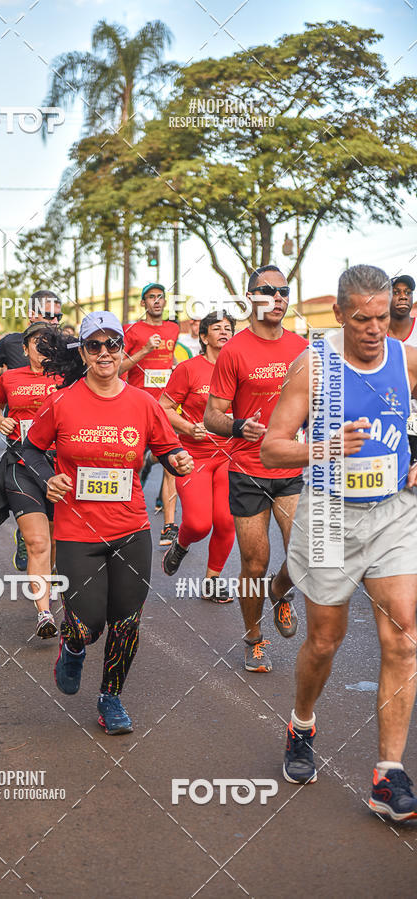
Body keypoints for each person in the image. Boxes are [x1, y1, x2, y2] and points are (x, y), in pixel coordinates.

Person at [261, 264, 417, 822]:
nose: (375, 329)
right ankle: (302, 724)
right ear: (340, 316)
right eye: (363, 320)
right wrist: (321, 448)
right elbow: (272, 450)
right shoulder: (315, 368)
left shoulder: (406, 357)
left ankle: (388, 775)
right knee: (326, 642)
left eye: (382, 317)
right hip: (328, 515)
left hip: (394, 514)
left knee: (403, 635)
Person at [21, 310, 193, 734]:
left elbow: (167, 448)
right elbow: (28, 454)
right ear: (82, 352)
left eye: (112, 344)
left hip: (131, 527)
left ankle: (111, 697)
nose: (104, 352)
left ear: (122, 349)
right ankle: (73, 647)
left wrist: (179, 458)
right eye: (94, 345)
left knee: (127, 620)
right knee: (86, 623)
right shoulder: (61, 402)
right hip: (78, 531)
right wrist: (50, 478)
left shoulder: (143, 404)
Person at [204, 265, 307, 672]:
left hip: (292, 468)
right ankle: (253, 636)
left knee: (306, 552)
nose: (278, 297)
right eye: (268, 291)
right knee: (254, 563)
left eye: (284, 291)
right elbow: (212, 414)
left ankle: (280, 593)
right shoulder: (234, 351)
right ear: (251, 297)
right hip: (247, 469)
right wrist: (237, 426)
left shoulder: (302, 347)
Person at [0, 322, 62, 638]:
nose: (43, 345)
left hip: (60, 466)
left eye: (50, 341)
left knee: (55, 540)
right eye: (38, 341)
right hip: (21, 464)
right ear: (25, 346)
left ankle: (49, 574)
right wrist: (0, 420)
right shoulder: (10, 377)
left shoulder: (66, 376)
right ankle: (44, 612)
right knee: (37, 542)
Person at [160, 312, 236, 601]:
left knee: (226, 521)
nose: (224, 332)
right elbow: (163, 408)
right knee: (198, 523)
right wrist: (189, 428)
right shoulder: (190, 369)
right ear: (204, 337)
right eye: (216, 328)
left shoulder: (239, 369)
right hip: (194, 456)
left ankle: (212, 580)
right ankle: (181, 544)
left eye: (229, 328)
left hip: (230, 454)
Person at [120, 283, 180, 545]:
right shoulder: (132, 331)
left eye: (160, 297)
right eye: (151, 298)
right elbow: (120, 365)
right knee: (129, 463)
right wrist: (144, 350)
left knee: (171, 463)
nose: (156, 301)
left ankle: (169, 525)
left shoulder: (173, 328)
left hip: (165, 405)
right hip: (136, 404)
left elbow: (169, 362)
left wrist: (178, 369)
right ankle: (125, 520)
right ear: (143, 304)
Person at [0, 289, 63, 401]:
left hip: (53, 416)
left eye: (59, 317)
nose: (56, 322)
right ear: (32, 314)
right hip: (15, 417)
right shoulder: (10, 343)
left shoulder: (64, 346)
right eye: (50, 316)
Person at [387, 274, 417, 462]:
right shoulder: (376, 334)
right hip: (386, 425)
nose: (403, 296)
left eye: (408, 292)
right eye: (396, 292)